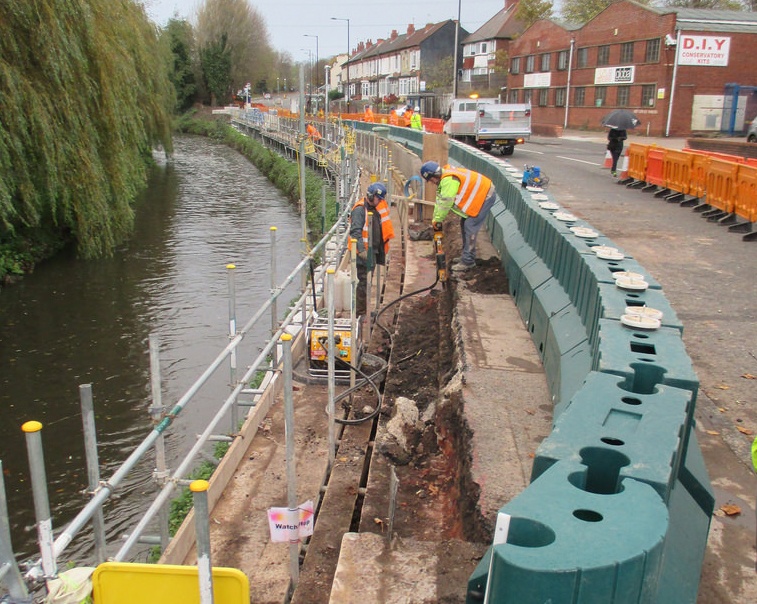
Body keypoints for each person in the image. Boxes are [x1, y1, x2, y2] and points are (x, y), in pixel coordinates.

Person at [419, 161, 498, 272]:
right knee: (464, 223)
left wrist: (438, 219)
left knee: (470, 226)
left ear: (433, 176)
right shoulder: (446, 176)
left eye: (431, 180)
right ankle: (466, 255)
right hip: (481, 193)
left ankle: (468, 261)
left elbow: (446, 203)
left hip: (485, 195)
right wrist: (435, 219)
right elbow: (439, 202)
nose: (431, 183)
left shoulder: (448, 181)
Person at [349, 182, 395, 316]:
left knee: (368, 281)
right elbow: (355, 232)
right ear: (370, 195)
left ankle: (365, 311)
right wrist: (361, 250)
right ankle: (360, 313)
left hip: (373, 250)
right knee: (364, 282)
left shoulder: (375, 207)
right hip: (363, 252)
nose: (380, 201)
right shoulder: (359, 210)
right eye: (378, 198)